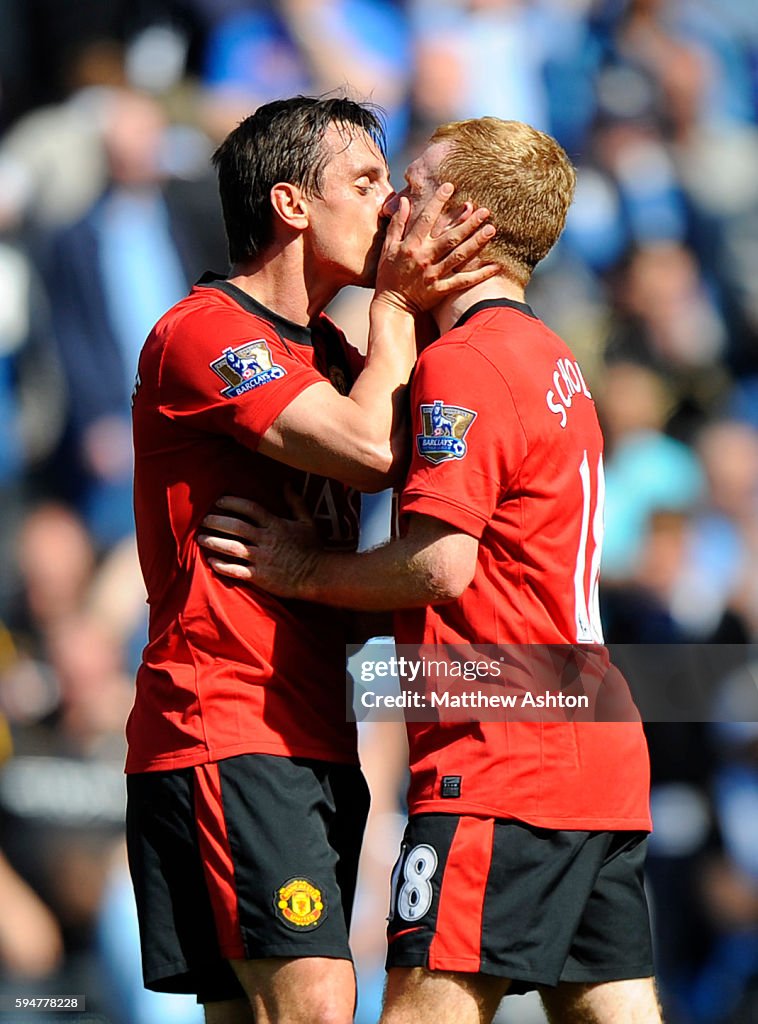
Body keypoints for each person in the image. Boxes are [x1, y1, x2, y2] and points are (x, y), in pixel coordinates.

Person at [197, 117, 663, 1024]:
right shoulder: (555, 358)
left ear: (466, 220)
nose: (391, 211)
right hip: (598, 744)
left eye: (408, 189)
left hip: (504, 753)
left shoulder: (466, 363)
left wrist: (301, 569)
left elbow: (442, 566)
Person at [125, 94, 496, 1024]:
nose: (392, 206)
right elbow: (371, 452)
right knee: (321, 1006)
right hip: (227, 720)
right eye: (369, 182)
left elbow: (430, 475)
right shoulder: (202, 332)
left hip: (308, 730)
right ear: (293, 205)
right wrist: (401, 304)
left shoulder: (334, 349)